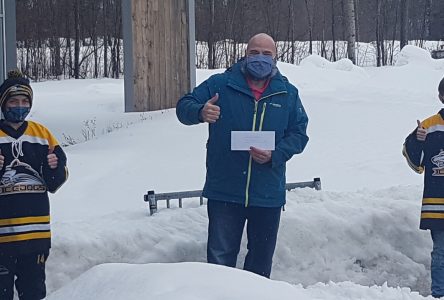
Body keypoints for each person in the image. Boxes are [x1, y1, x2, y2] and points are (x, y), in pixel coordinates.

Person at [176, 33, 309, 278]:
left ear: (276, 57)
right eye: (254, 52)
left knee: (259, 265)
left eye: (266, 54)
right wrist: (200, 111)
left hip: (267, 193)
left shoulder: (287, 93)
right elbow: (183, 106)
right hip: (225, 190)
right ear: (245, 55)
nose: (260, 58)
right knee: (219, 262)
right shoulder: (220, 85)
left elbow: (299, 134)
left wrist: (275, 154)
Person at [0, 70, 68, 300]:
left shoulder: (42, 134)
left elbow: (57, 181)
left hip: (35, 234)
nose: (19, 106)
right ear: (3, 103)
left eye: (24, 101)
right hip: (3, 235)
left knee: (34, 292)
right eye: (13, 101)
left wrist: (53, 168)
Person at [403, 76, 444, 298]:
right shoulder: (428, 126)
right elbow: (414, 162)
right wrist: (417, 140)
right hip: (438, 204)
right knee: (441, 253)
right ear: (441, 97)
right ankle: (439, 294)